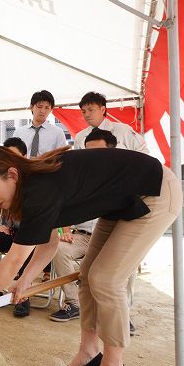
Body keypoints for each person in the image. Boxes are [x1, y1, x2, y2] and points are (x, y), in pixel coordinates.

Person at [0, 146, 181, 366]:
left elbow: (14, 259)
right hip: (120, 204)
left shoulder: (39, 188)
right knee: (87, 277)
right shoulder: (30, 191)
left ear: (12, 175)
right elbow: (49, 243)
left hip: (154, 193)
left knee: (105, 279)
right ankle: (89, 354)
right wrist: (26, 280)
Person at [83, 127, 137, 335]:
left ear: (112, 152)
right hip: (94, 230)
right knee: (88, 273)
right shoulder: (87, 177)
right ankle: (88, 339)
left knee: (110, 276)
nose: (92, 158)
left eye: (98, 152)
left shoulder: (125, 174)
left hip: (134, 222)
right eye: (88, 152)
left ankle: (124, 315)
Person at [0, 138, 32, 316]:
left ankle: (23, 296)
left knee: (28, 245)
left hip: (32, 235)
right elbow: (6, 209)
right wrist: (3, 224)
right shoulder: (3, 182)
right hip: (13, 232)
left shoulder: (32, 183)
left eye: (14, 156)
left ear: (24, 157)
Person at [73, 92, 149, 153]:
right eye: (83, 111)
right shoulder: (79, 137)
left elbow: (143, 152)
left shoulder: (124, 130)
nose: (87, 114)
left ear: (103, 110)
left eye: (91, 110)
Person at [12, 90, 67, 158]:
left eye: (47, 108)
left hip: (48, 167)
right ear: (31, 107)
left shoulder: (58, 133)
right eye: (39, 106)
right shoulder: (19, 132)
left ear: (51, 110)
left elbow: (63, 157)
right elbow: (13, 156)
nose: (43, 111)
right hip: (24, 167)